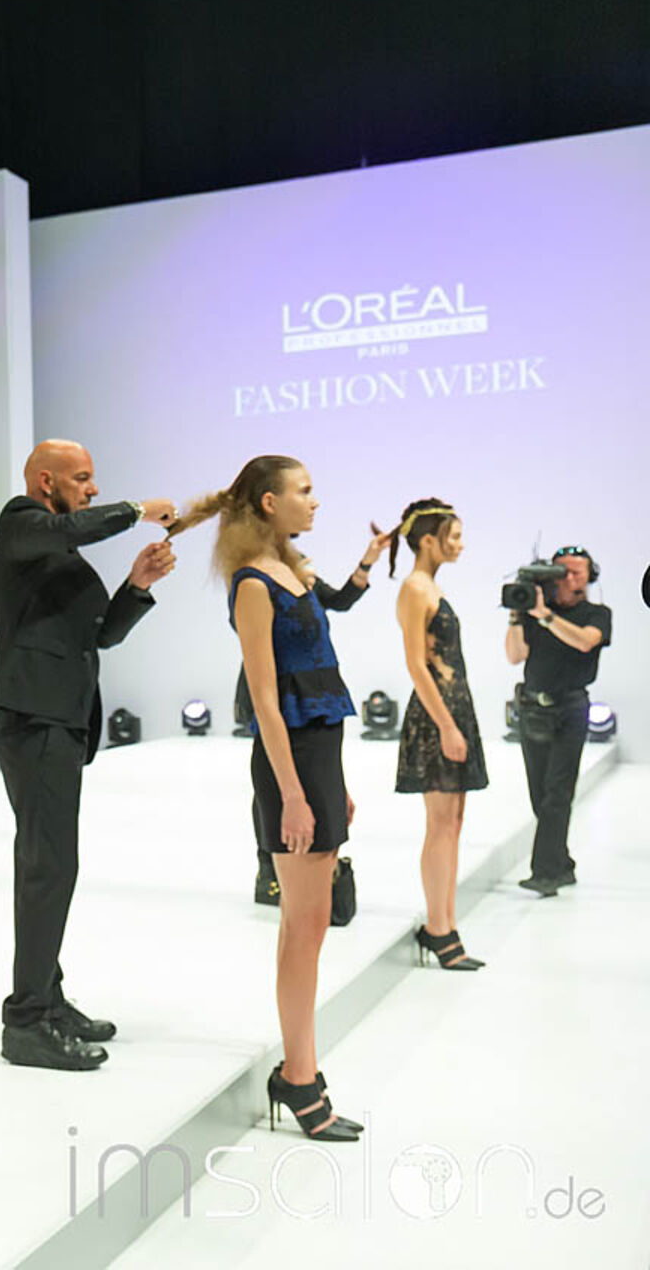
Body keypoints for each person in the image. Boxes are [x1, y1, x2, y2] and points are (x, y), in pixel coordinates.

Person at [174, 455, 362, 1140]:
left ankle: (301, 1072)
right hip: (292, 766)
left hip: (319, 757)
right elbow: (264, 698)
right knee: (304, 928)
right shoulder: (253, 583)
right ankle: (300, 1077)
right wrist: (293, 794)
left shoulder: (291, 571)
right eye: (303, 491)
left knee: (311, 924)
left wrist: (335, 783)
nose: (315, 501)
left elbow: (319, 682)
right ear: (268, 502)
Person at [0, 440, 176, 1070]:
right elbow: (72, 527)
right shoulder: (21, 523)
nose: (93, 489)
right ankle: (26, 1021)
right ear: (46, 481)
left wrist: (137, 584)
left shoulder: (59, 555)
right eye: (84, 478)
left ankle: (48, 998)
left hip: (59, 719)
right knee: (48, 866)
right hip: (36, 717)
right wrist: (137, 510)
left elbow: (102, 634)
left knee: (52, 864)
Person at [247, 526, 389, 906]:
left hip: (314, 700)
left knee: (301, 792)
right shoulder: (256, 584)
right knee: (273, 789)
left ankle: (281, 871)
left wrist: (368, 561)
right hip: (282, 692)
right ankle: (269, 870)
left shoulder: (299, 580)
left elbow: (341, 600)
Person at [386, 500, 488, 968]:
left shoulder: (429, 586)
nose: (460, 544)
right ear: (428, 540)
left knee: (452, 824)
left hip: (452, 708)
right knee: (442, 825)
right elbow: (415, 663)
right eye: (454, 536)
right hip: (436, 715)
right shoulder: (414, 588)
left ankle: (445, 924)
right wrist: (446, 725)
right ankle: (440, 929)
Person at [505, 545, 611, 896]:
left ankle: (546, 873)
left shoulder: (597, 614)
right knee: (541, 796)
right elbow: (515, 656)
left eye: (577, 572)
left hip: (570, 709)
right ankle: (562, 864)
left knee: (557, 793)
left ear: (589, 576)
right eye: (562, 571)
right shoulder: (534, 613)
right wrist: (517, 615)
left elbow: (585, 642)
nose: (569, 578)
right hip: (533, 708)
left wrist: (545, 616)